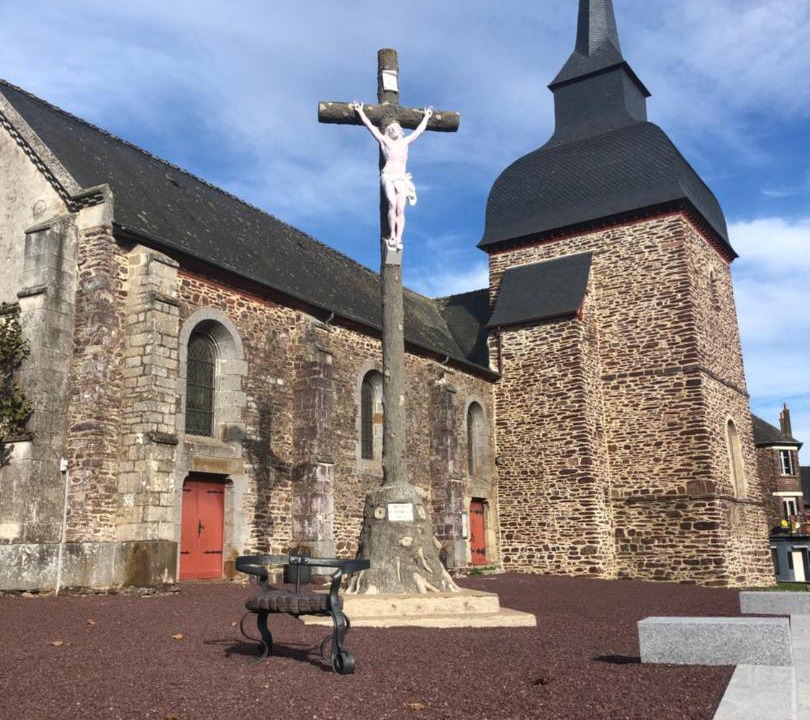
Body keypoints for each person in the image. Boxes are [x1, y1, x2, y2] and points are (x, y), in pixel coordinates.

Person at [350, 101, 433, 250]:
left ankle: (399, 238)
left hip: (401, 178)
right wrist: (360, 111)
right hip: (388, 176)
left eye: (396, 128)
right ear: (388, 131)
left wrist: (426, 117)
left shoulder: (405, 142)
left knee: (400, 209)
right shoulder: (384, 140)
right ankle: (392, 235)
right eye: (391, 128)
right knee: (392, 205)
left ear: (400, 131)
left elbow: (419, 131)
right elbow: (370, 126)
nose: (394, 130)